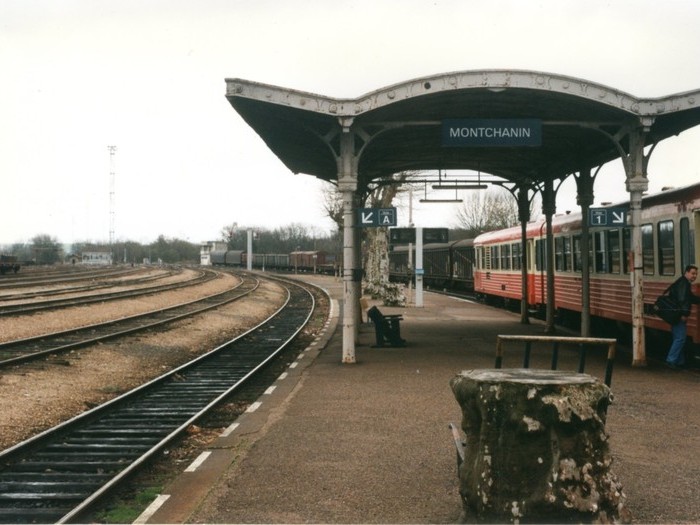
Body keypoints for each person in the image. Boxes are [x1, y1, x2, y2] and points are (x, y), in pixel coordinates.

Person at [666, 264, 700, 368]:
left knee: (679, 337)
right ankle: (671, 360)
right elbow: (682, 300)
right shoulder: (683, 284)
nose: (694, 276)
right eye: (693, 273)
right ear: (686, 272)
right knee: (680, 338)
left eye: (696, 274)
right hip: (679, 315)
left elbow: (690, 298)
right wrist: (684, 314)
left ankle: (679, 361)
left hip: (676, 314)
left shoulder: (683, 282)